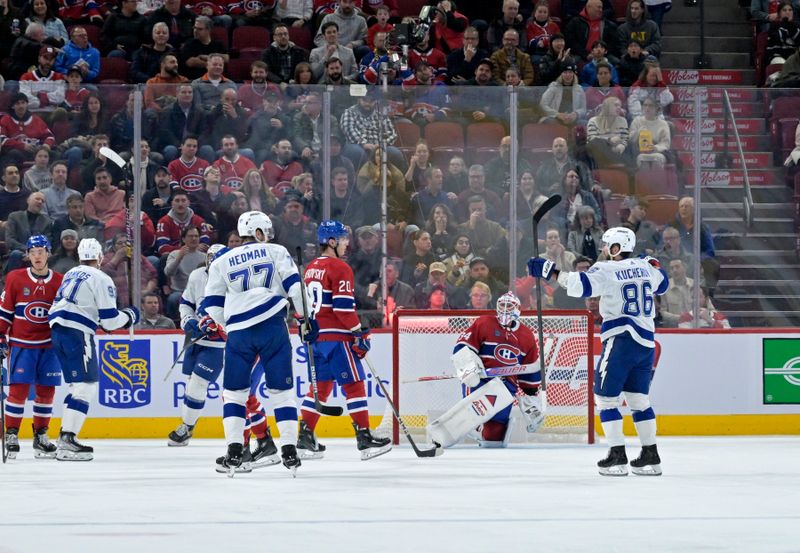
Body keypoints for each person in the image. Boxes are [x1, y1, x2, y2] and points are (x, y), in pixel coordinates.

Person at [529, 226, 669, 476]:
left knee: (605, 399)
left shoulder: (607, 269)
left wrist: (549, 270)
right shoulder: (647, 266)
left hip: (620, 339)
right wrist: (653, 264)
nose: (604, 250)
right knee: (639, 400)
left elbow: (580, 286)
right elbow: (663, 285)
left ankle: (617, 456)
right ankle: (651, 454)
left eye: (607, 245)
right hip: (646, 343)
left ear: (616, 248)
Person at [203, 211, 315, 474]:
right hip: (272, 327)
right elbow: (296, 288)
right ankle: (288, 449)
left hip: (239, 333)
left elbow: (212, 305)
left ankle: (234, 449)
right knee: (282, 392)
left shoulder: (222, 260)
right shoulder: (275, 251)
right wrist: (305, 319)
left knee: (234, 394)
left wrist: (228, 326)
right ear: (259, 233)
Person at [168, 244, 279, 471]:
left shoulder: (239, 284)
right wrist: (194, 322)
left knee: (236, 396)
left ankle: (246, 449)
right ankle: (264, 443)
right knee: (243, 396)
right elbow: (191, 305)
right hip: (238, 344)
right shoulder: (202, 277)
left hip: (247, 346)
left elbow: (239, 318)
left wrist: (214, 324)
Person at [297, 220, 392, 461]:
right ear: (331, 242)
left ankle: (305, 436)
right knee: (355, 385)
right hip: (337, 337)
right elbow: (342, 309)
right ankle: (364, 437)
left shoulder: (311, 268)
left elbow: (304, 307)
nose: (347, 243)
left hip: (317, 338)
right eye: (342, 239)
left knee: (321, 388)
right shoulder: (340, 268)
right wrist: (359, 331)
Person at [48, 238, 140, 460]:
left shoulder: (70, 274)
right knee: (85, 388)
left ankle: (65, 437)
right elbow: (109, 321)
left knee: (77, 386)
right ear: (99, 257)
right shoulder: (101, 277)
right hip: (77, 333)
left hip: (58, 331)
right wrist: (129, 316)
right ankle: (68, 439)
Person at [428, 292, 544, 448]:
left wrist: (531, 398)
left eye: (509, 306)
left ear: (517, 309)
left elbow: (529, 371)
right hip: (479, 380)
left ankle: (480, 430)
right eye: (501, 306)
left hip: (506, 387)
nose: (504, 310)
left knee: (494, 440)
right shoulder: (484, 322)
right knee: (473, 411)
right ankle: (460, 430)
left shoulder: (527, 336)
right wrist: (469, 365)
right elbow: (462, 348)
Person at [0, 235, 64, 460]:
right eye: (33, 251)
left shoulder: (59, 281)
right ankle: (11, 435)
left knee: (47, 392)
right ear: (27, 255)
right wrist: (1, 337)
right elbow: (5, 312)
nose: (37, 255)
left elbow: (63, 316)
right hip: (23, 345)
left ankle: (41, 436)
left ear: (49, 254)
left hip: (49, 347)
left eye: (41, 251)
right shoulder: (15, 278)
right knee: (18, 391)